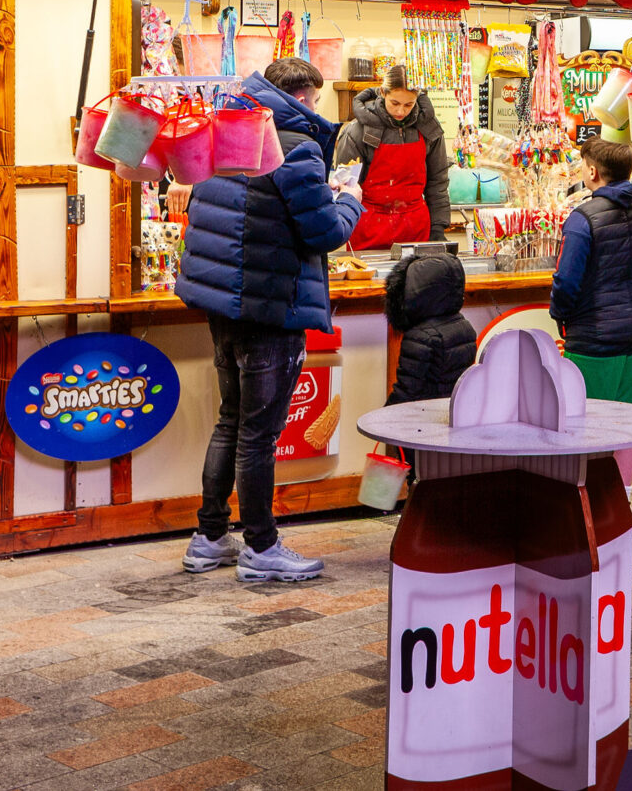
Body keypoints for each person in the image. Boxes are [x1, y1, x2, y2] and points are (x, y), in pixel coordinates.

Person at [175, 56, 362, 583]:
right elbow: (324, 233)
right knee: (259, 433)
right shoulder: (294, 146)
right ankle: (261, 546)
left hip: (225, 304)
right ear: (304, 98)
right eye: (317, 101)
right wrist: (350, 199)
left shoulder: (227, 129)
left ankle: (209, 537)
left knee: (231, 420)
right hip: (271, 305)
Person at [551, 139, 632, 405]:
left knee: (588, 430)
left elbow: (566, 283)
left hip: (594, 343)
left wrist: (560, 315)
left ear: (592, 172)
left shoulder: (582, 219)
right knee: (629, 429)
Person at [331, 64, 450, 248]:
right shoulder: (356, 132)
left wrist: (438, 228)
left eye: (408, 104)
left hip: (416, 228)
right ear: (383, 93)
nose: (401, 111)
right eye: (395, 103)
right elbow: (345, 186)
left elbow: (438, 182)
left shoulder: (429, 129)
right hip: (368, 227)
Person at [383, 251, 477, 405]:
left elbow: (405, 393)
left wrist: (381, 418)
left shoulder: (419, 337)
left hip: (421, 419)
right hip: (453, 414)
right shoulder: (465, 327)